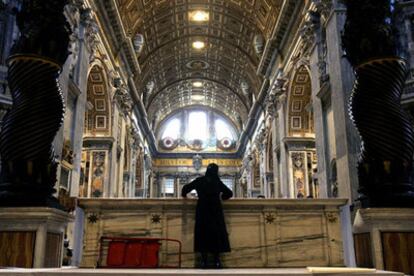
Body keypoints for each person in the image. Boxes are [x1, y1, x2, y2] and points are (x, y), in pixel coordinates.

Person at [181, 163, 233, 268]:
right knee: (216, 235)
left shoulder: (199, 181)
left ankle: (204, 262)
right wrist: (222, 197)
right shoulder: (217, 182)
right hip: (215, 210)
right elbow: (229, 193)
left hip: (202, 210)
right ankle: (217, 261)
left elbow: (185, 189)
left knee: (202, 235)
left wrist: (184, 195)